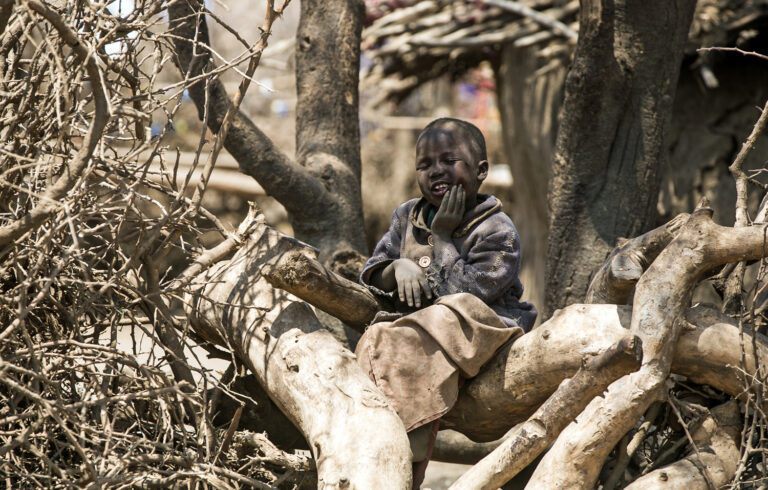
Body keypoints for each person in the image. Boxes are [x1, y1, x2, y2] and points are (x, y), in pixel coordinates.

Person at [356, 118, 537, 487]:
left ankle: (410, 450)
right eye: (424, 164)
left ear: (481, 170)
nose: (435, 170)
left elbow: (469, 294)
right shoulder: (406, 217)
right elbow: (371, 272)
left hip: (483, 330)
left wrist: (441, 237)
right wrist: (398, 267)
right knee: (377, 338)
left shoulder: (496, 229)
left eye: (449, 161)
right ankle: (389, 447)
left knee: (449, 313)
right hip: (416, 335)